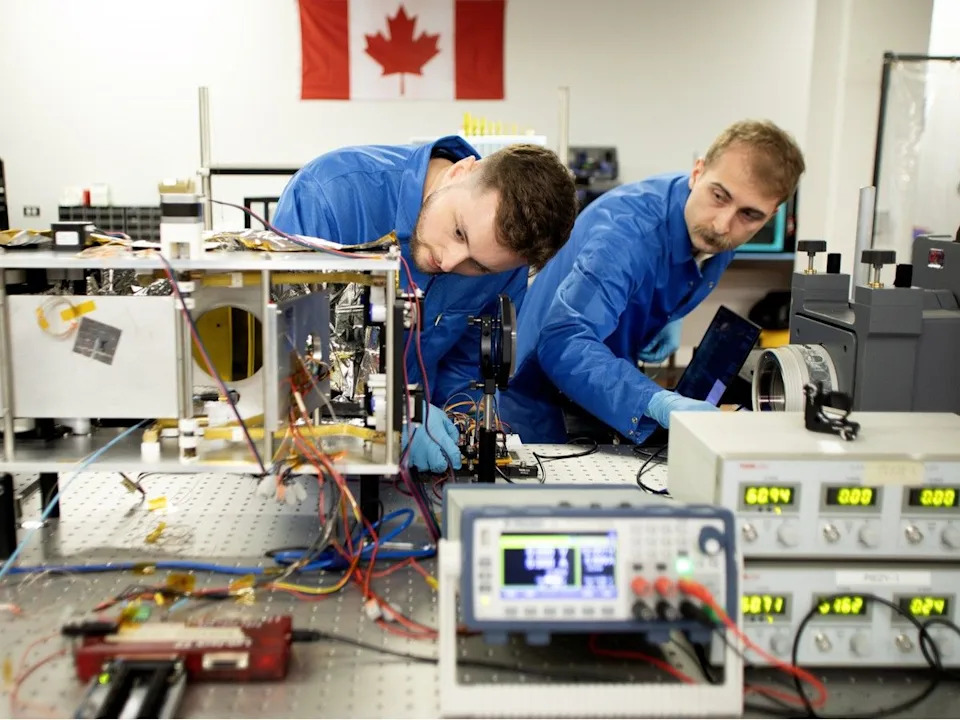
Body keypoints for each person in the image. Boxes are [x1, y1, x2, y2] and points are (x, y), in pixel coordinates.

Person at [271, 137, 578, 471]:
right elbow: (293, 357)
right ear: (459, 172)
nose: (449, 262)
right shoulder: (329, 195)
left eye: (478, 266)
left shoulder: (503, 264)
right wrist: (394, 415)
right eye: (460, 233)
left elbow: (465, 375)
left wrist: (456, 438)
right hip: (312, 461)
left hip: (412, 466)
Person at [498, 120, 805, 444]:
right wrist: (653, 401)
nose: (722, 224)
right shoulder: (624, 237)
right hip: (536, 397)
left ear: (770, 216)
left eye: (750, 215)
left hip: (597, 386)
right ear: (697, 172)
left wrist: (670, 315)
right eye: (719, 195)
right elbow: (564, 342)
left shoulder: (713, 233)